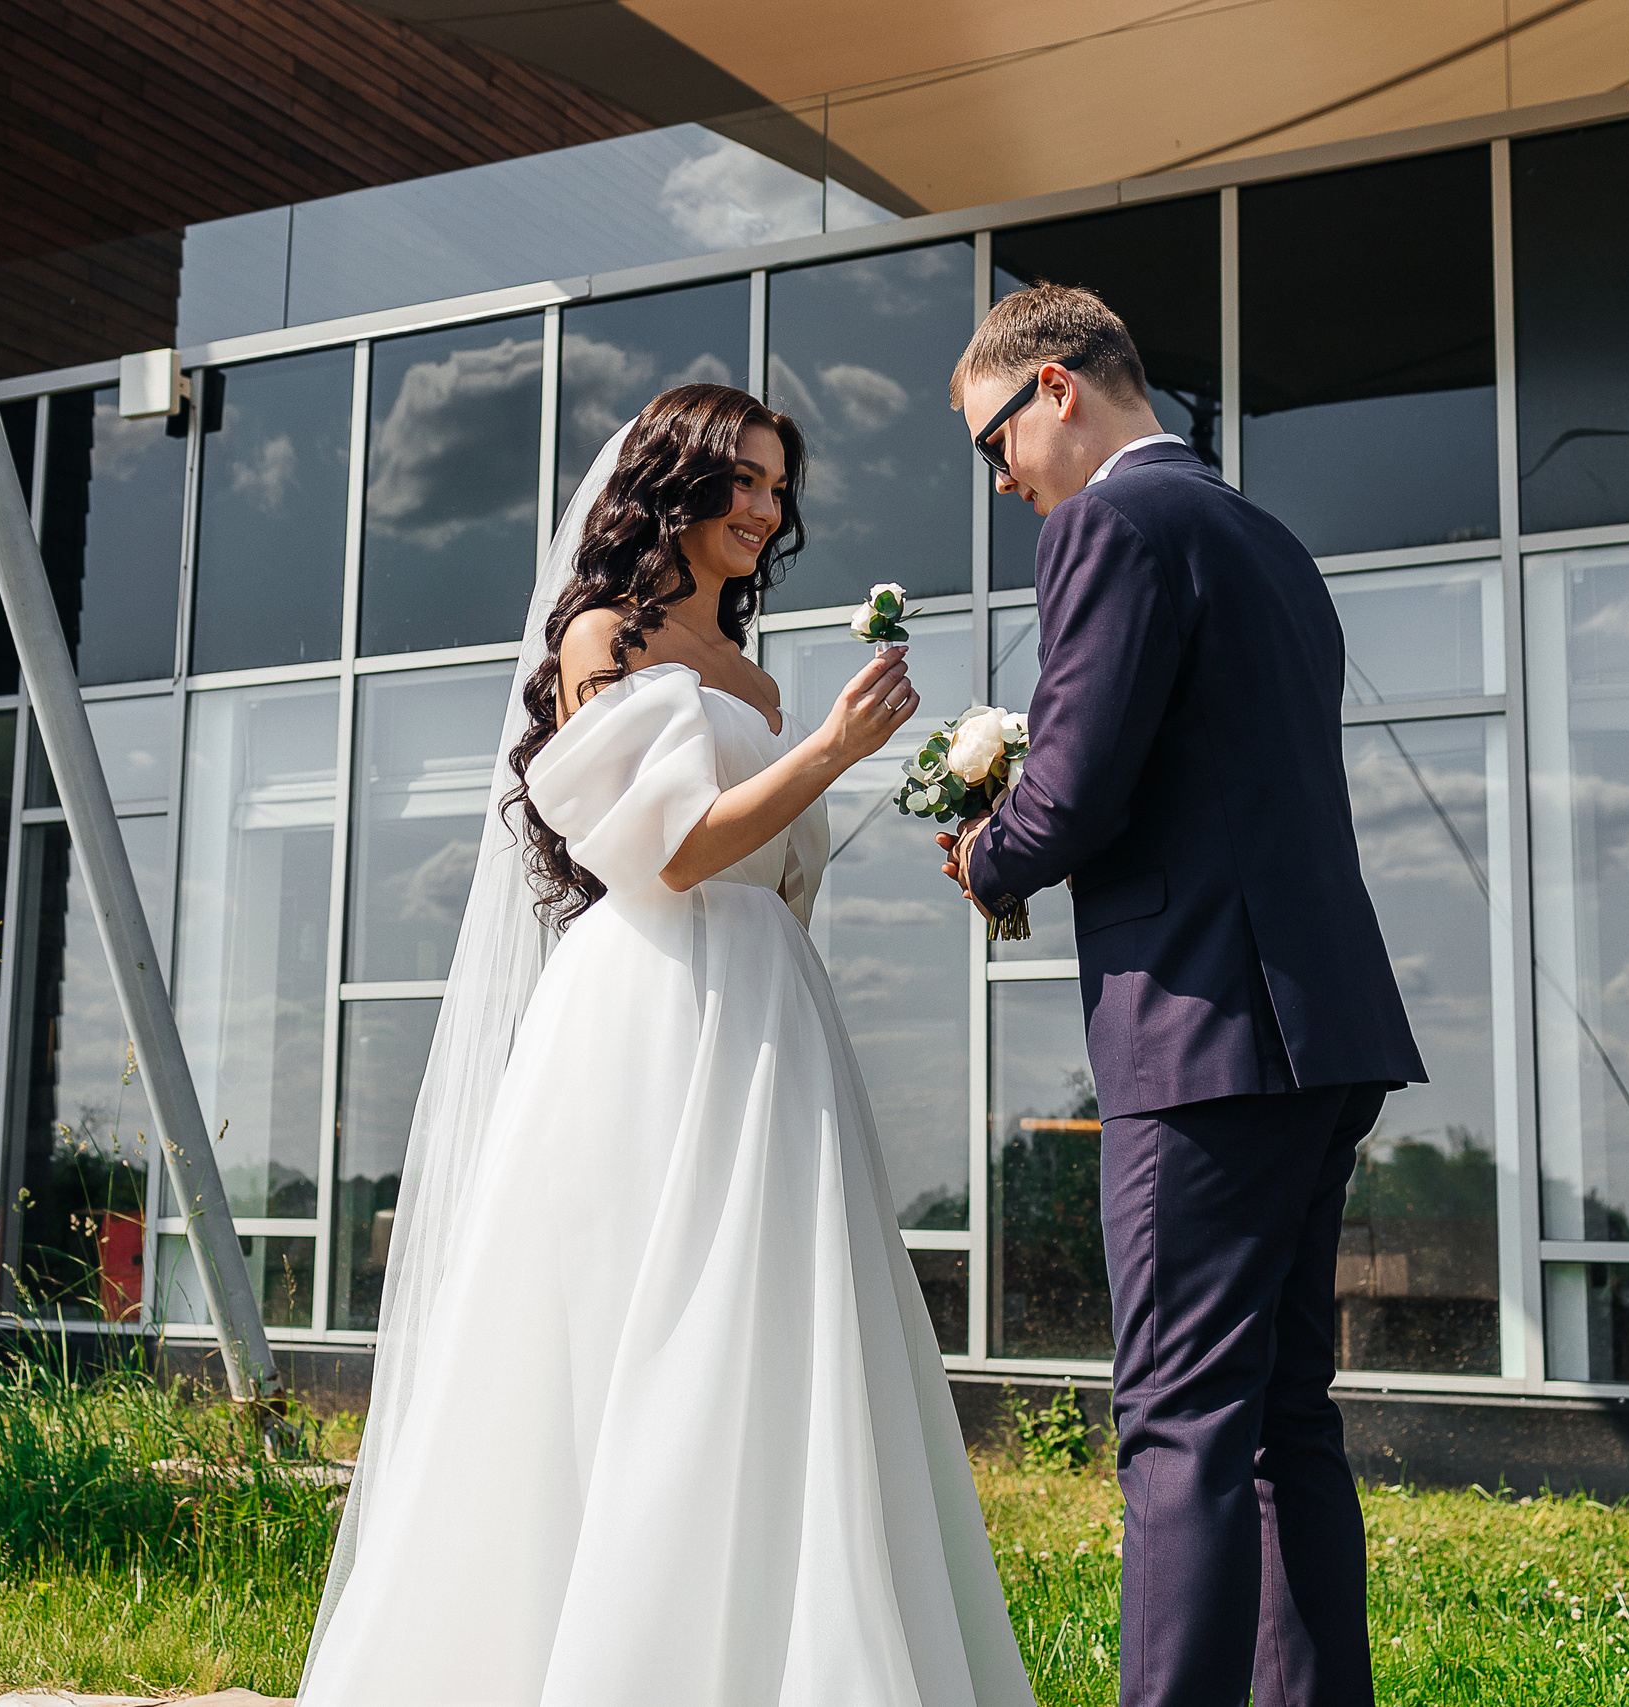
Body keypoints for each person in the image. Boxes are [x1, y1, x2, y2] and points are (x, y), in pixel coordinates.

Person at [300, 384, 1034, 1707]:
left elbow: (777, 872)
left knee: (772, 1335)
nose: (766, 508)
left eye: (776, 485)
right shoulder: (604, 637)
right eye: (740, 481)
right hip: (648, 1015)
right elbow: (673, 850)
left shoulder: (749, 673)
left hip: (767, 1016)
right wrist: (829, 749)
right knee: (629, 1330)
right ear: (669, 492)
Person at [939, 286, 1426, 1707]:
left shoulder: (1111, 524)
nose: (1005, 482)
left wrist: (989, 849)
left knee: (1178, 1429)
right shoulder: (1271, 543)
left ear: (1057, 388)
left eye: (996, 444)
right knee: (1281, 1422)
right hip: (1319, 1031)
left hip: (1202, 1039)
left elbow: (1079, 791)